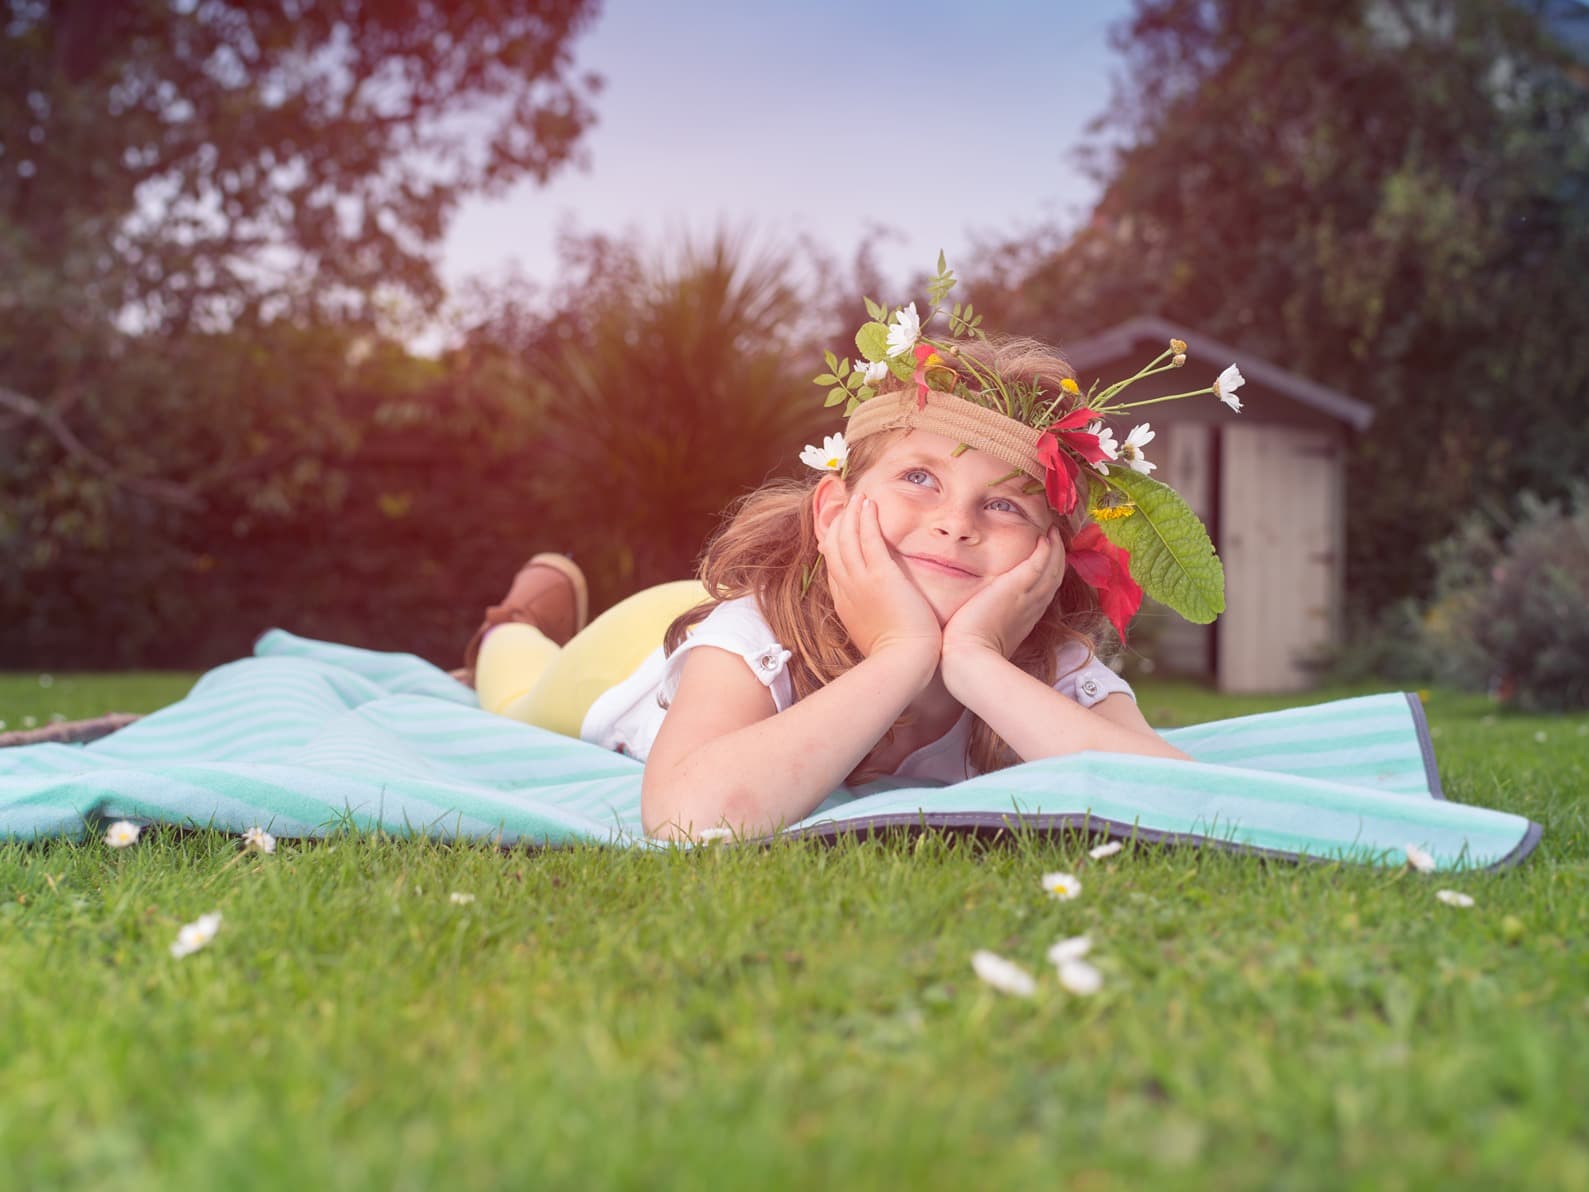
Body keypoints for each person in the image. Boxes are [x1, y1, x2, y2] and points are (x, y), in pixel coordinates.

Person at [463, 277, 1242, 840]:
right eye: (918, 478)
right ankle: (522, 611)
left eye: (1003, 504)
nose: (954, 524)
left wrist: (973, 662)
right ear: (836, 509)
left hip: (822, 624)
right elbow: (686, 819)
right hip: (632, 647)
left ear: (1050, 553)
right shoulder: (750, 639)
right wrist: (902, 655)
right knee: (514, 691)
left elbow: (1179, 799)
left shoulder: (1048, 666)